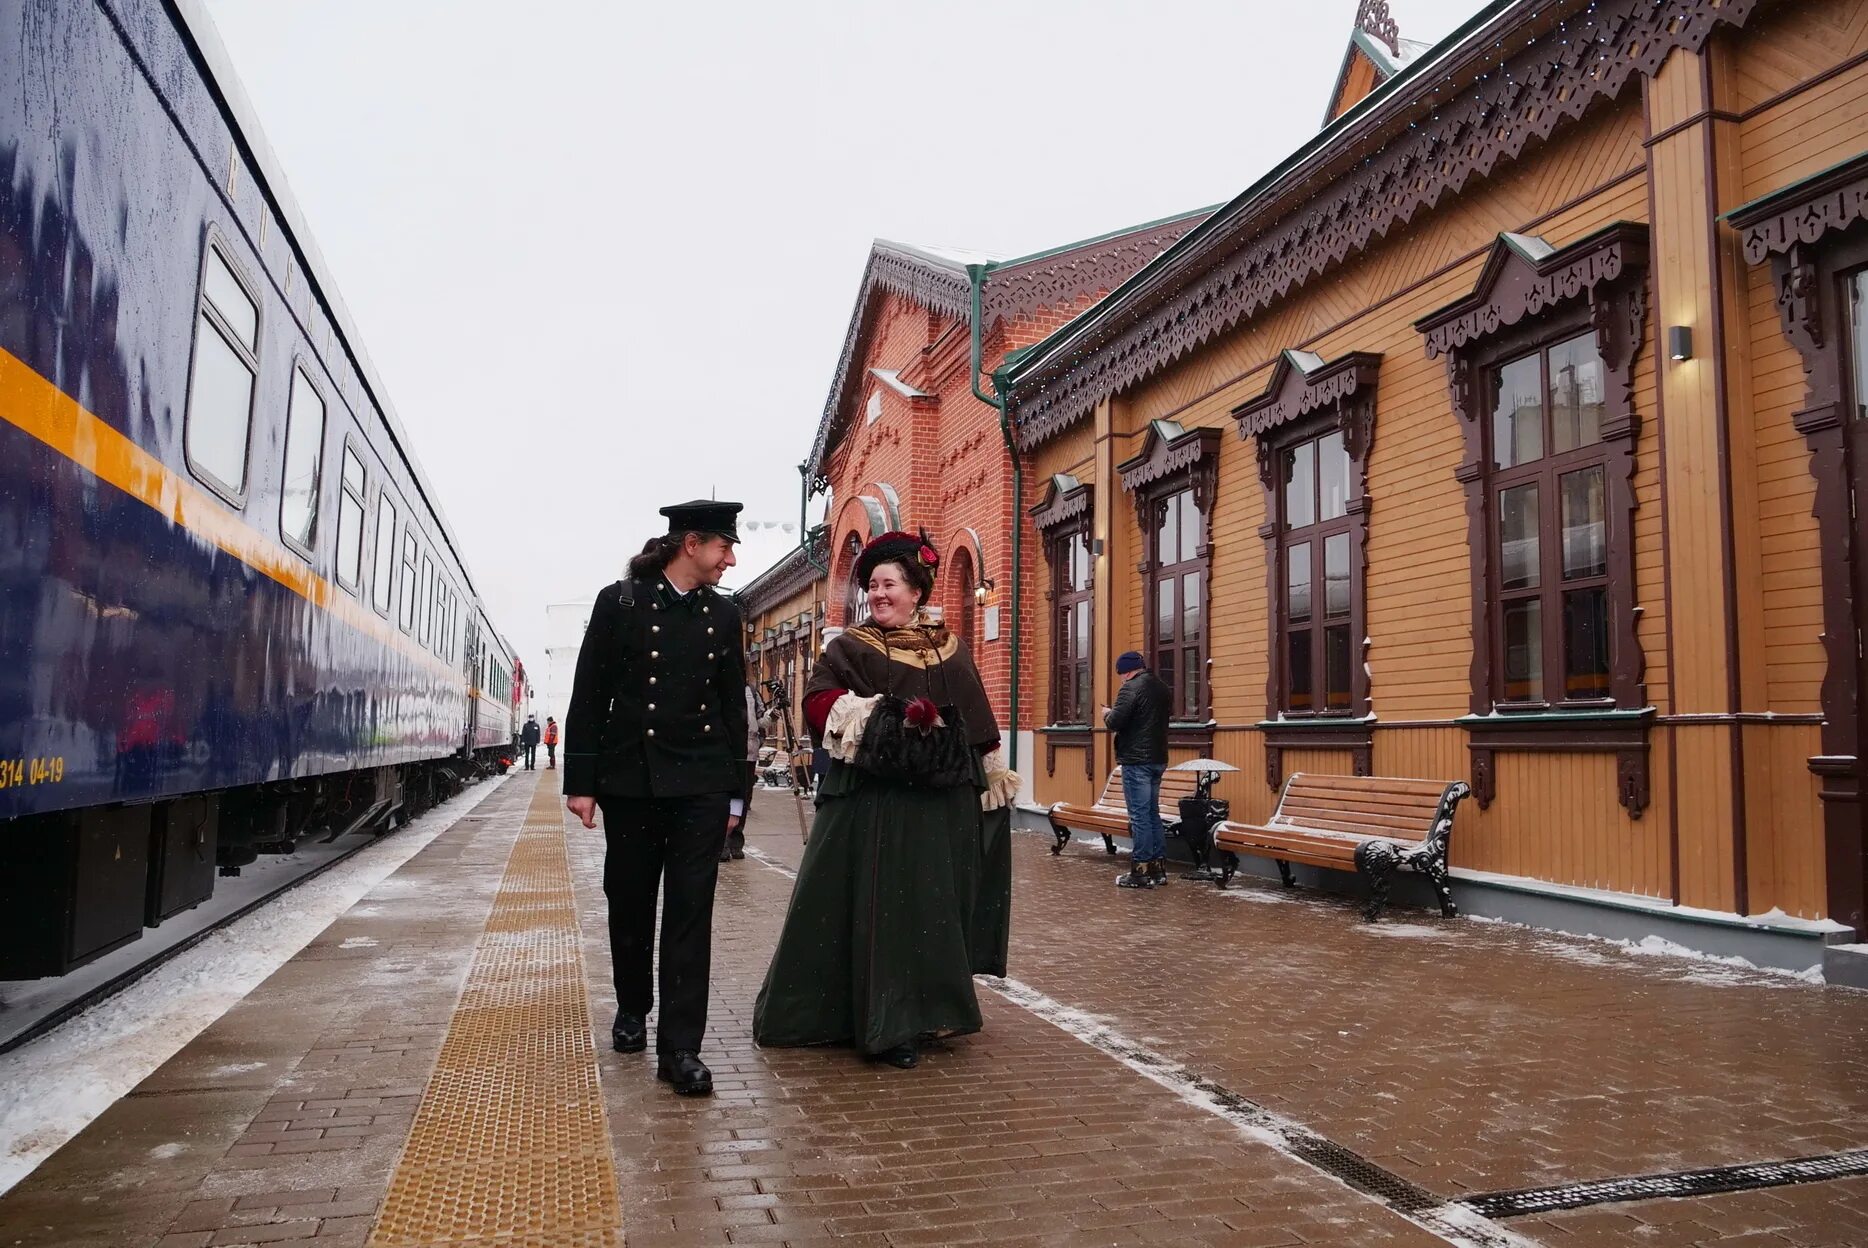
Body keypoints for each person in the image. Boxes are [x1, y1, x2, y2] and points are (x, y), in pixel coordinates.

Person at [753, 530, 1018, 1070]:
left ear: (915, 590)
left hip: (942, 805)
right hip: (876, 803)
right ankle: (880, 1020)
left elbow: (978, 721)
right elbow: (820, 701)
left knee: (932, 905)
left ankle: (929, 1010)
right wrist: (879, 717)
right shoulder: (850, 646)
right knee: (885, 906)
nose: (877, 593)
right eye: (871, 585)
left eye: (888, 583)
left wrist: (990, 775)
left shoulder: (949, 646)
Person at [563, 500, 749, 1098]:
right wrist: (581, 783)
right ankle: (632, 1006)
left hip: (700, 782)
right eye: (724, 546)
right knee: (631, 900)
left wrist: (736, 798)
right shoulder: (619, 602)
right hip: (632, 783)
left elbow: (730, 708)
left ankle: (681, 1049)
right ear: (690, 544)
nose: (730, 559)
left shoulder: (725, 614)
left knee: (692, 912)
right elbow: (589, 693)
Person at [1103, 651, 1172, 888]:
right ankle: (1158, 868)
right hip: (1157, 758)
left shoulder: (1130, 688)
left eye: (1121, 674)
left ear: (1128, 671)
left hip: (1136, 760)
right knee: (1152, 814)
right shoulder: (1161, 687)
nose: (1121, 679)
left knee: (1139, 816)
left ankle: (1140, 871)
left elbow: (1115, 722)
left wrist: (1107, 713)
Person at [721, 684, 758, 863]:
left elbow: (760, 721)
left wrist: (772, 715)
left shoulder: (752, 692)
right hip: (727, 751)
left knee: (742, 797)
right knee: (724, 795)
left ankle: (736, 841)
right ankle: (723, 843)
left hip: (749, 752)